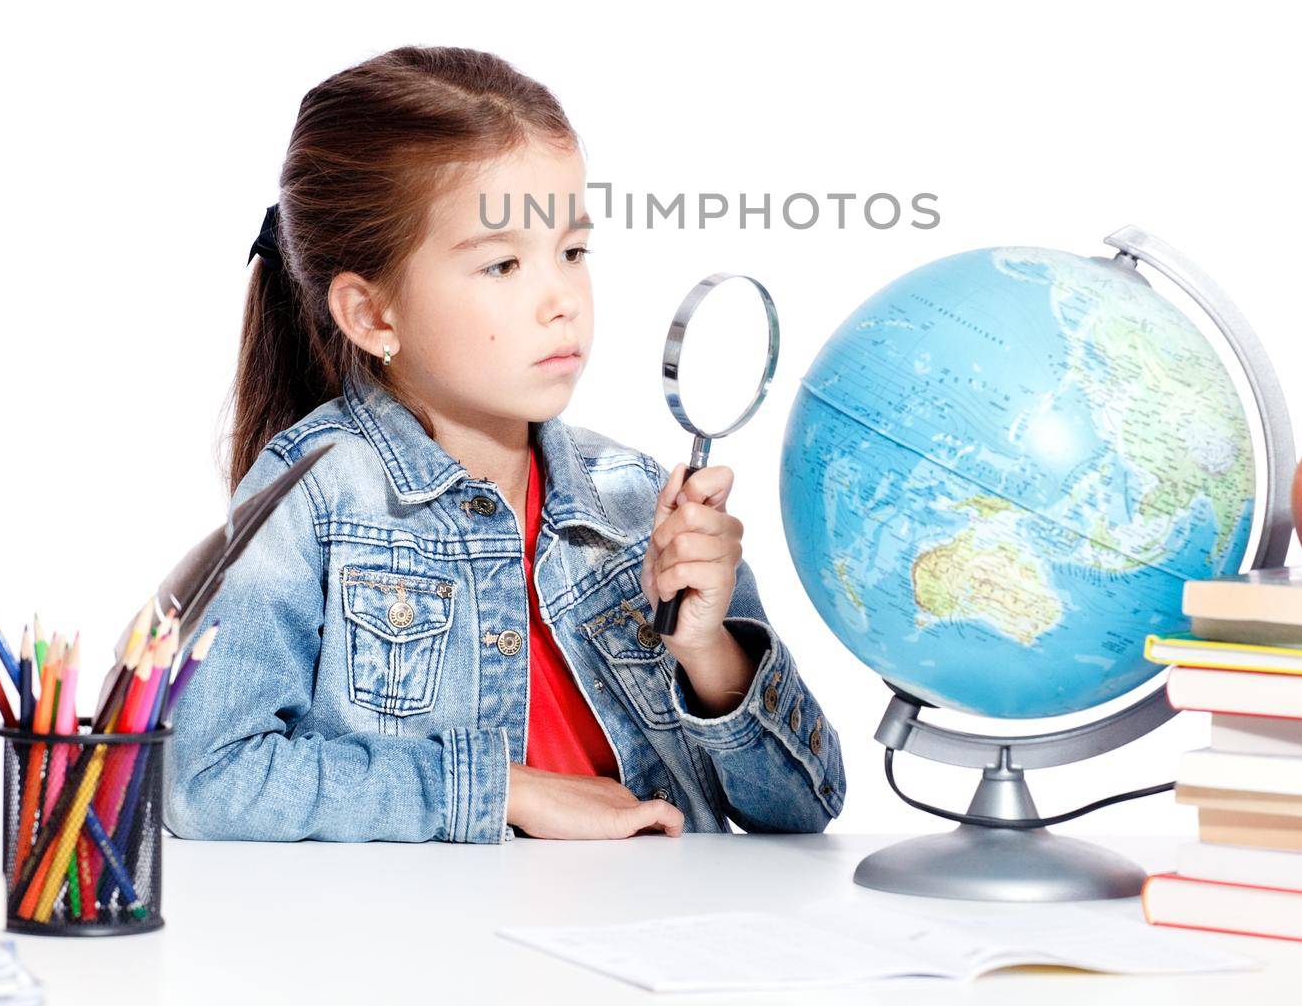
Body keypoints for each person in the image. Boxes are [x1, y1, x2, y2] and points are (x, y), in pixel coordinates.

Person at [164, 45, 845, 844]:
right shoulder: (313, 498)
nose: (561, 299)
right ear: (373, 316)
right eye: (502, 264)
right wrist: (502, 790)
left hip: (658, 941)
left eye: (573, 251)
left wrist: (709, 652)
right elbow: (209, 778)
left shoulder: (632, 501)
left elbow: (806, 807)